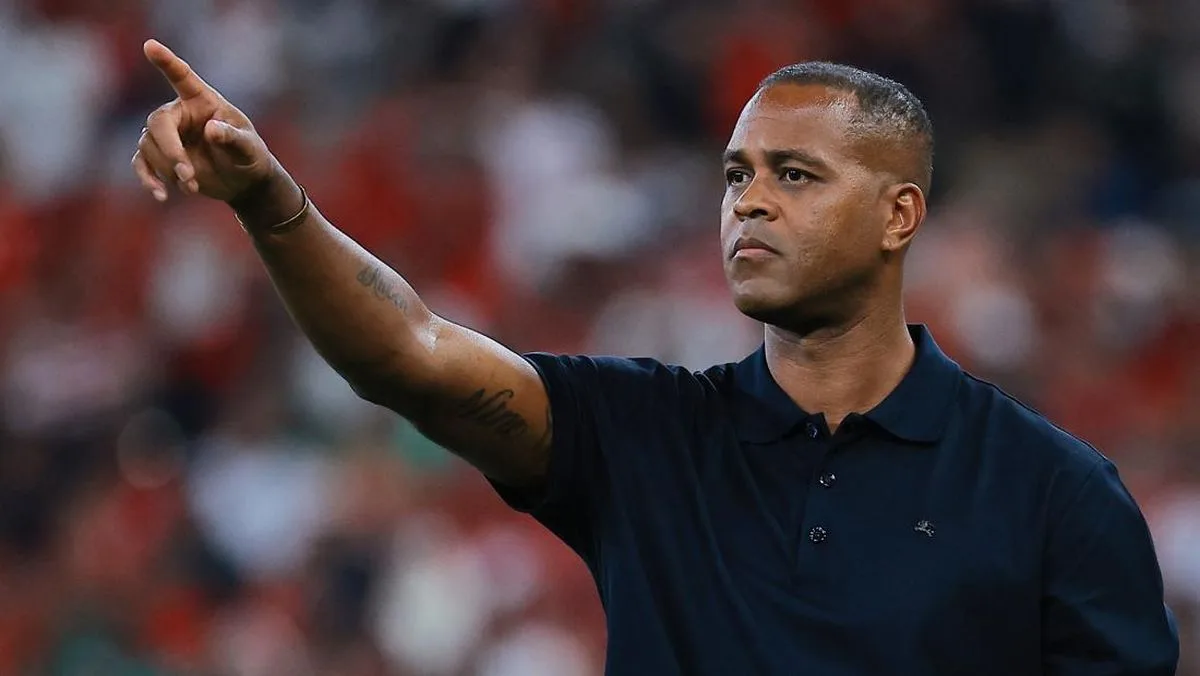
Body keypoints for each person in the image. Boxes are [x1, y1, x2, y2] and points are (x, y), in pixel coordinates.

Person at [131, 39, 1179, 675]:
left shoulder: (1054, 494)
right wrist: (272, 202)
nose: (750, 202)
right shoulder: (646, 434)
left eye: (796, 175)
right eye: (736, 174)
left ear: (899, 213)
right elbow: (409, 353)